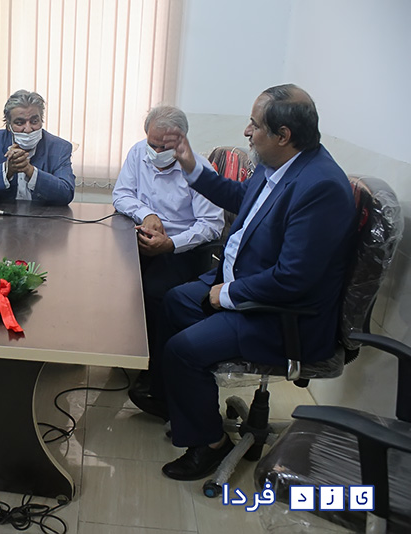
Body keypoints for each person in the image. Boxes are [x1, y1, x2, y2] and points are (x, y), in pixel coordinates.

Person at [156, 84, 355, 480]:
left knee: (182, 350)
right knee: (175, 300)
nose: (247, 131)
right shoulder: (277, 163)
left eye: (255, 125)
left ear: (283, 135)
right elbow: (239, 197)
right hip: (247, 286)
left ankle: (209, 443)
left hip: (282, 316)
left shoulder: (321, 188)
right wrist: (191, 165)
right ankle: (186, 401)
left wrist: (226, 294)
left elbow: (294, 279)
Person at [112, 106, 224, 414]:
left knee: (155, 292)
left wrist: (171, 243)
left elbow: (212, 224)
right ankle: (127, 353)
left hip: (181, 248)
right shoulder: (139, 152)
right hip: (140, 235)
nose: (158, 152)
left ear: (182, 141)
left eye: (166, 147)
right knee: (112, 278)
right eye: (154, 144)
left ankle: (157, 377)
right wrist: (147, 214)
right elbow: (121, 195)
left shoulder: (199, 170)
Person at [0, 89, 75, 205]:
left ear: (41, 120)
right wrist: (7, 170)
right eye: (19, 123)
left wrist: (30, 170)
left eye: (34, 121)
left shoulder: (60, 148)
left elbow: (66, 193)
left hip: (43, 215)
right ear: (8, 125)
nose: (28, 129)